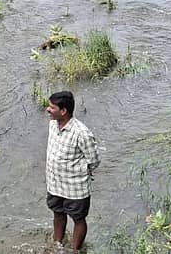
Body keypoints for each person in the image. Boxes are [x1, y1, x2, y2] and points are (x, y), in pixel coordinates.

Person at [45, 91, 100, 252]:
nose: (48, 110)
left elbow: (94, 160)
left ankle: (75, 250)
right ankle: (58, 244)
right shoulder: (52, 124)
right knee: (58, 214)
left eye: (51, 107)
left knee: (78, 218)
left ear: (63, 111)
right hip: (55, 184)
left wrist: (78, 173)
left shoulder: (81, 133)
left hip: (75, 188)